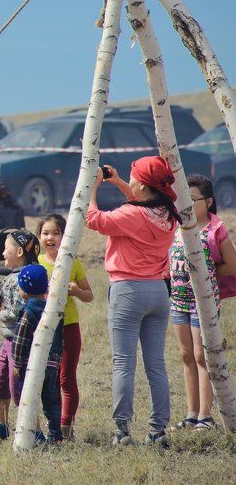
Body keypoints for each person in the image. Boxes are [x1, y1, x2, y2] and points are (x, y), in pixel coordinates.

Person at [86, 157, 179, 447]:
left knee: (124, 363)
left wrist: (93, 188)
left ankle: (123, 431)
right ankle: (158, 430)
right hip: (158, 293)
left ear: (142, 183)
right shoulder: (167, 215)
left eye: (132, 177)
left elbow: (94, 220)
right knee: (156, 365)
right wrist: (119, 183)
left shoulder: (131, 215)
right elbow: (142, 206)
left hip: (127, 290)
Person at [168, 175, 236, 431]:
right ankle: (191, 412)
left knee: (201, 355)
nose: (185, 204)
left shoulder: (215, 228)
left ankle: (206, 416)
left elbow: (232, 264)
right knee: (186, 355)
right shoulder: (176, 225)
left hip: (204, 302)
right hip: (178, 300)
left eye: (192, 199)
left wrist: (204, 273)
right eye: (182, 198)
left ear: (207, 202)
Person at [0, 229, 40, 443]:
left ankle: (33, 430)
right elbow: (0, 298)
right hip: (7, 340)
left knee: (18, 385)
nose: (2, 253)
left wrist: (2, 313)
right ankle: (2, 424)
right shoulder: (11, 277)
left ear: (20, 251)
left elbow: (20, 311)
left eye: (6, 248)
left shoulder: (27, 276)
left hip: (19, 340)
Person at [36, 213, 93, 440]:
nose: (50, 238)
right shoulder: (35, 264)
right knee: (49, 379)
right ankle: (54, 427)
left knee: (66, 378)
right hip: (43, 329)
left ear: (65, 236)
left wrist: (76, 291)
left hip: (69, 326)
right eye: (45, 233)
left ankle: (66, 427)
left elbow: (89, 295)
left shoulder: (73, 263)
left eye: (56, 233)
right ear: (39, 237)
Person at [10, 264, 64, 445]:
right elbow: (59, 337)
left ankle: (28, 434)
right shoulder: (53, 311)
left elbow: (20, 340)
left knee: (29, 400)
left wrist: (17, 363)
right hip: (51, 365)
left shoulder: (28, 311)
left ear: (24, 289)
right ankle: (56, 436)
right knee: (51, 401)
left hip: (31, 366)